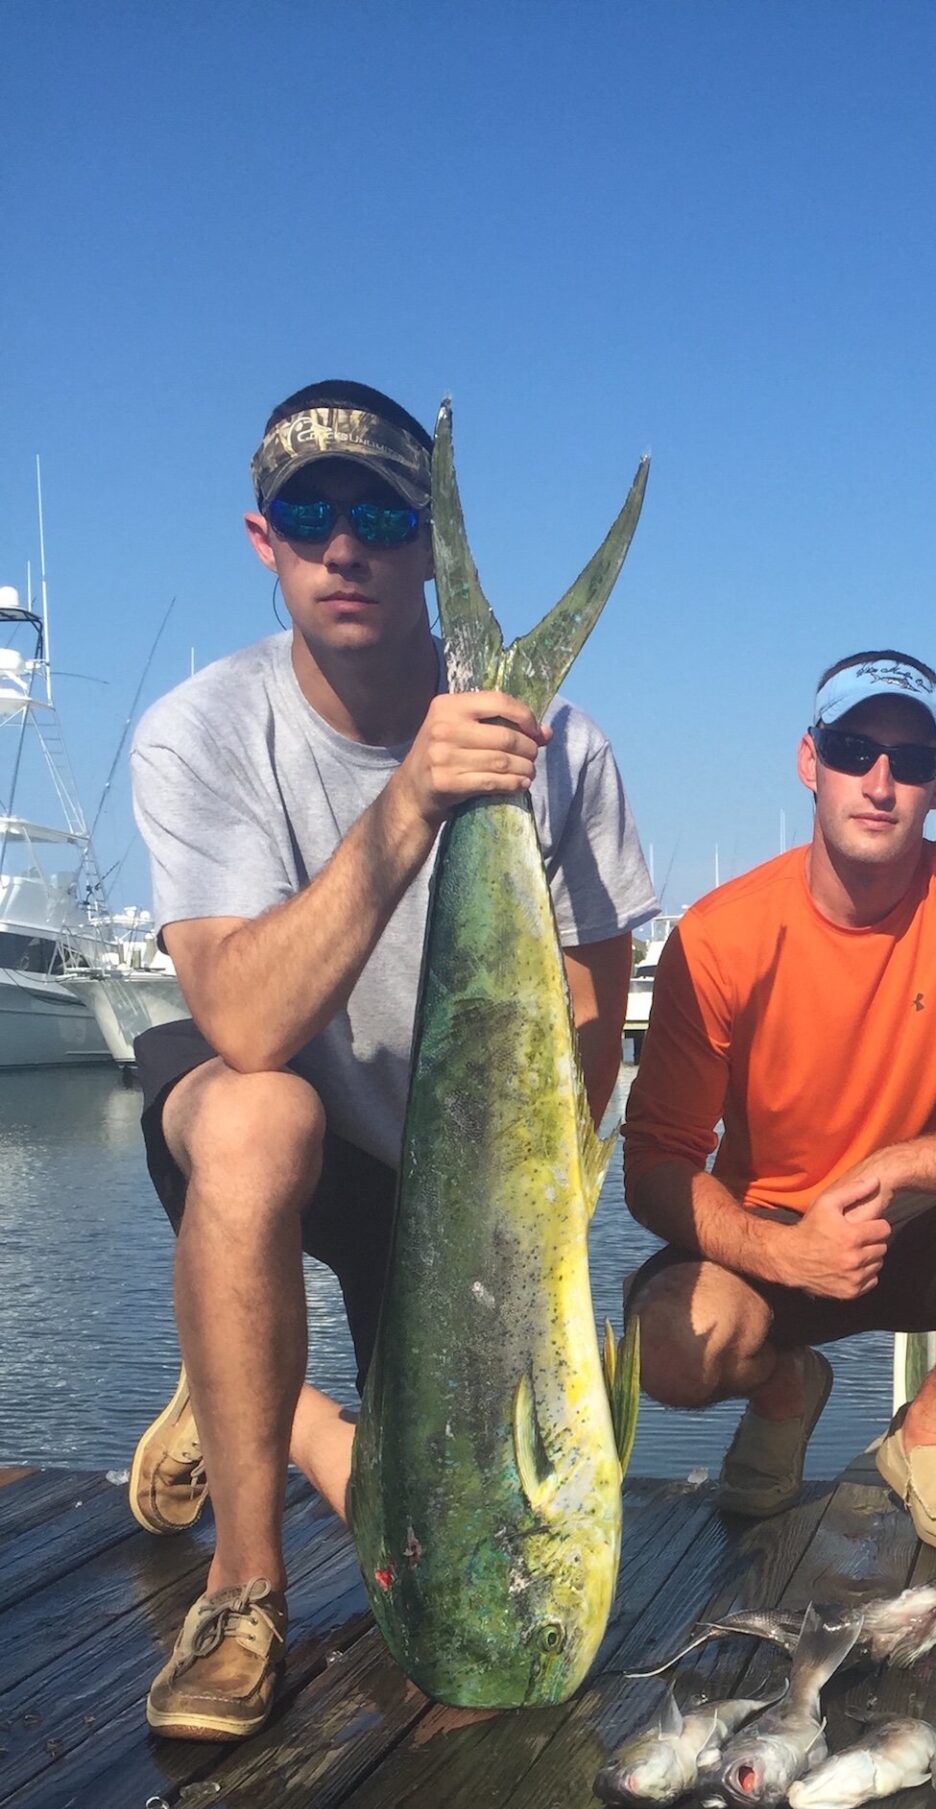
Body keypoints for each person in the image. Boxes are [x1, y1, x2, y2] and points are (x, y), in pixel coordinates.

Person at [126, 379, 655, 1739]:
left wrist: (534, 1220)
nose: (344, 546)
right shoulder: (202, 729)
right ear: (265, 539)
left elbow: (597, 998)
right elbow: (241, 1021)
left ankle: (237, 1374)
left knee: (420, 1514)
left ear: (423, 542)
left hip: (453, 1184)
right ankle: (242, 1597)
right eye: (312, 515)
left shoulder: (567, 749)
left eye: (379, 513)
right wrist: (416, 796)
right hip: (292, 1123)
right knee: (256, 1122)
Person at [622, 650, 936, 1556]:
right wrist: (785, 1249)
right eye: (854, 749)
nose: (880, 782)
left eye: (912, 760)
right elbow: (654, 1165)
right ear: (810, 762)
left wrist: (904, 1163)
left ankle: (927, 1429)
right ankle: (785, 1389)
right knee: (663, 1349)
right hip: (776, 1227)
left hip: (932, 1225)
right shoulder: (719, 934)